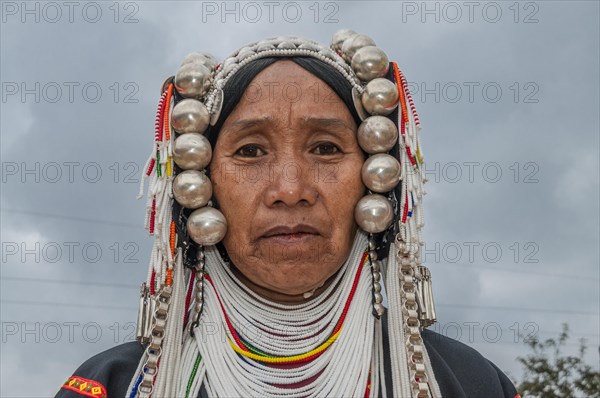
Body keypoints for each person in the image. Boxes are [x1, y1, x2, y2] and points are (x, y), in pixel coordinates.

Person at [55, 30, 520, 398]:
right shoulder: (114, 386)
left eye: (326, 148)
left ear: (377, 178)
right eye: (251, 150)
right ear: (200, 185)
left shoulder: (468, 383)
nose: (291, 190)